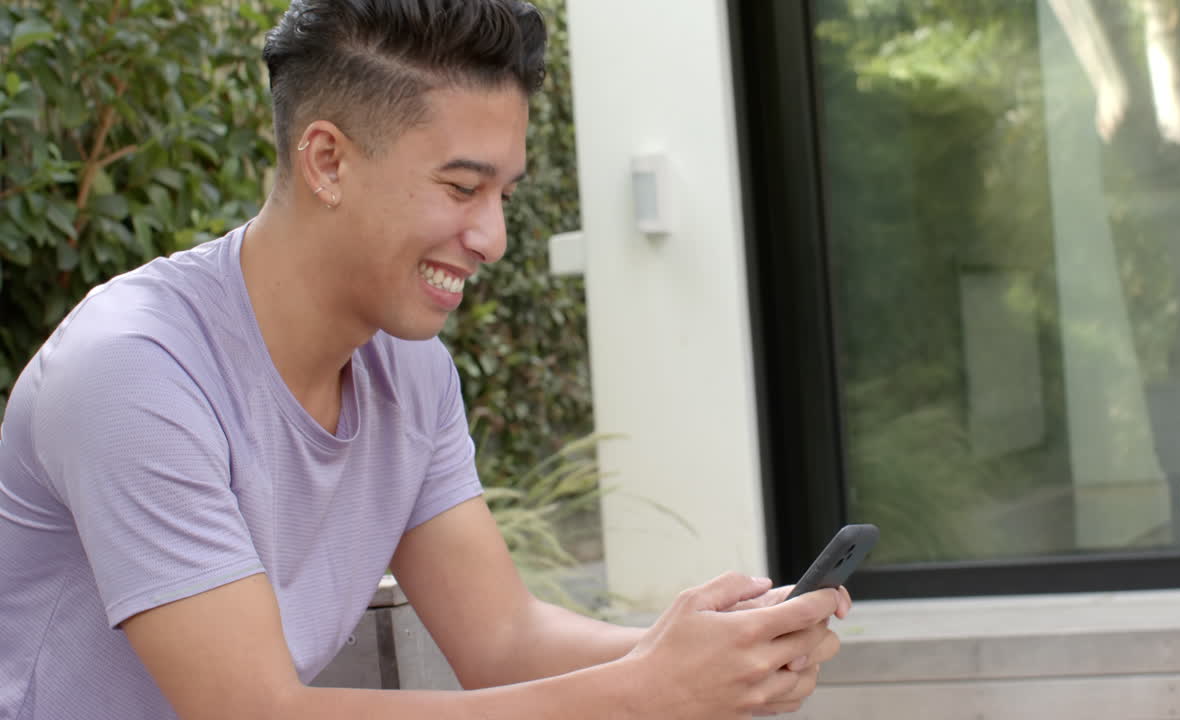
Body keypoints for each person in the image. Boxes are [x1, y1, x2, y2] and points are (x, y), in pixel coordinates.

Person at [0, 1, 850, 718]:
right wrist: (644, 689)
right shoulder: (133, 373)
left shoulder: (406, 370)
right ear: (327, 160)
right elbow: (260, 712)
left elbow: (502, 641)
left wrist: (704, 655)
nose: (494, 238)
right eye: (461, 188)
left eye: (504, 194)